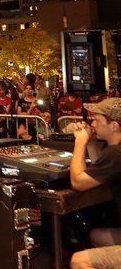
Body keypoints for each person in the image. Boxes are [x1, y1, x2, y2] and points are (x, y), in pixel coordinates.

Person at [69, 98, 121, 269]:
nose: (93, 124)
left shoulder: (116, 153)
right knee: (97, 236)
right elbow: (101, 171)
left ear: (114, 126)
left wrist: (80, 142)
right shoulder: (114, 151)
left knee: (78, 260)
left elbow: (78, 182)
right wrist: (91, 142)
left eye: (97, 120)